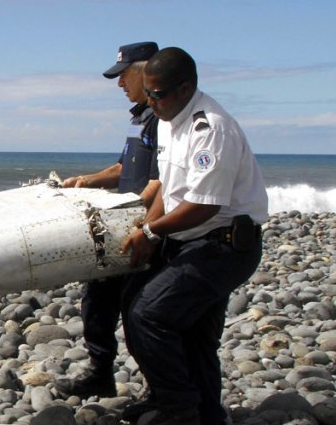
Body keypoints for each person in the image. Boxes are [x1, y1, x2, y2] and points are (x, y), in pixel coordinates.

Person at [120, 47, 268, 425]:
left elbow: (204, 205)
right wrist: (146, 232)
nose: (151, 102)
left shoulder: (211, 129)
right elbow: (170, 191)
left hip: (224, 245)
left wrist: (151, 231)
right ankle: (203, 412)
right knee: (191, 331)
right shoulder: (170, 119)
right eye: (148, 94)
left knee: (148, 315)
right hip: (192, 239)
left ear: (185, 88)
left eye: (158, 94)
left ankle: (178, 407)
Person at [56, 41, 161, 398]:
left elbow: (162, 183)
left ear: (146, 72)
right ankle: (100, 371)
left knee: (140, 313)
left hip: (146, 229)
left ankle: (158, 387)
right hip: (123, 224)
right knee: (97, 300)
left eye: (123, 76)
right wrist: (84, 181)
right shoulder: (139, 119)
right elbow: (122, 168)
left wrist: (142, 226)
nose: (119, 84)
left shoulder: (164, 120)